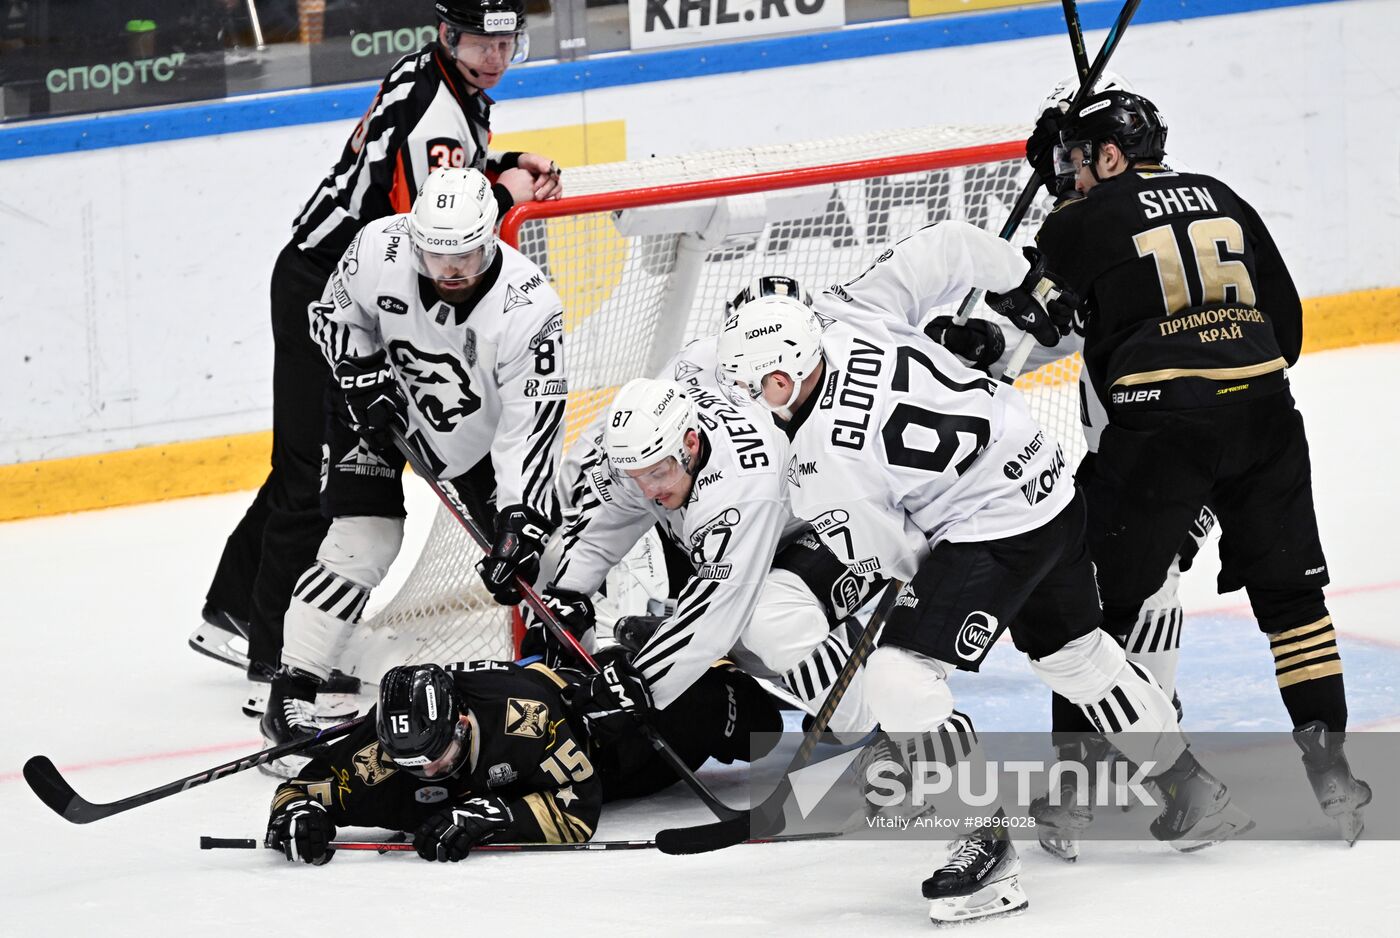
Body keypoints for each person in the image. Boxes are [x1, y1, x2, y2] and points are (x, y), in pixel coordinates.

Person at [718, 279, 1253, 923]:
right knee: (1074, 656)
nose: (749, 400)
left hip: (994, 526)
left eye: (756, 386)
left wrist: (917, 644)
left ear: (787, 376)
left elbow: (898, 561)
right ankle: (1189, 785)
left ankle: (983, 844)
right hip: (1048, 483)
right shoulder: (851, 325)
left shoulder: (822, 464)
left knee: (897, 671)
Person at [1017, 89, 1369, 843]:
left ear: (1109, 155)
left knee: (1079, 601)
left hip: (1162, 436)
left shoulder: (1078, 220)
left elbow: (1027, 319)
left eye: (1078, 161)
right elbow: (1291, 327)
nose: (1073, 176)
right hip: (1266, 419)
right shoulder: (1222, 195)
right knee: (1293, 603)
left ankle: (1073, 791)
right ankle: (1333, 773)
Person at [191, 0, 563, 701]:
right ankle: (275, 654)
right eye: (481, 42)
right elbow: (437, 224)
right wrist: (500, 189)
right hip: (333, 288)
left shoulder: (446, 84)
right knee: (312, 473)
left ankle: (234, 603)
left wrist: (503, 165)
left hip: (337, 276)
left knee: (304, 460)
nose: (495, 56)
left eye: (505, 42)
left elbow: (433, 184)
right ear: (449, 35)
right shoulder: (440, 107)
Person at [257, 166, 568, 771]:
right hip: (374, 407)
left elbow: (528, 426)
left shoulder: (531, 308)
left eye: (468, 257)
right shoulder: (382, 244)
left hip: (471, 440)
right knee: (364, 541)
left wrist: (519, 517)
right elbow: (329, 316)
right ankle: (291, 693)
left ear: (495, 237)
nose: (451, 272)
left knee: (539, 557)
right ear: (414, 238)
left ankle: (552, 683)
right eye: (436, 255)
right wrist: (361, 370)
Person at [537, 377, 881, 736]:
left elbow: (717, 615)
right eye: (636, 477)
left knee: (767, 622)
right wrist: (567, 595)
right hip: (776, 540)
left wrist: (640, 683)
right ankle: (846, 660)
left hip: (851, 528)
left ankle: (879, 724)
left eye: (657, 473)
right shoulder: (646, 452)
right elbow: (602, 531)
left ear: (691, 442)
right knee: (741, 632)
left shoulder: (740, 486)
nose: (650, 490)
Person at [264, 657, 781, 863]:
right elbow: (298, 794)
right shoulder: (380, 754)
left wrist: (494, 816)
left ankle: (697, 654)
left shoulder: (521, 719)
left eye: (436, 756)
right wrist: (295, 820)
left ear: (461, 722)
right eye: (410, 764)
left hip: (608, 736)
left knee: (759, 723)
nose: (425, 772)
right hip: (609, 771)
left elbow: (578, 810)